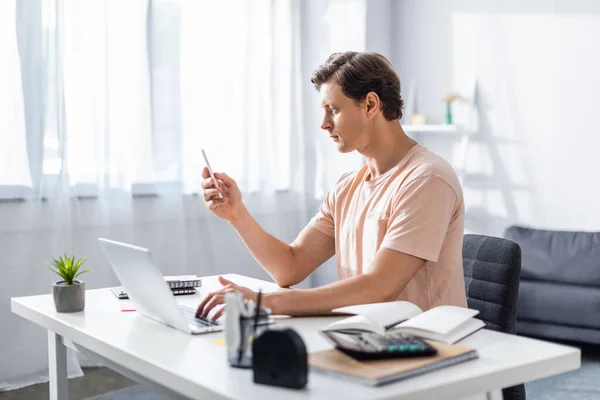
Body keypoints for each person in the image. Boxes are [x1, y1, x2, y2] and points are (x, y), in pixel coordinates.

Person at [196, 51, 467, 321]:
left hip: (428, 348)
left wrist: (266, 301)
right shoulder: (347, 187)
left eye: (333, 110)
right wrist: (237, 214)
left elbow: (380, 287)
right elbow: (290, 267)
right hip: (365, 340)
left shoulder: (427, 179)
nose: (324, 124)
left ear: (371, 105)